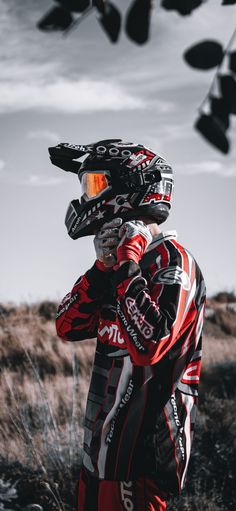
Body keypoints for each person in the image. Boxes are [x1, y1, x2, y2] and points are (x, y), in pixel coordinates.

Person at [51, 138, 206, 511]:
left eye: (95, 184)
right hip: (100, 454)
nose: (88, 196)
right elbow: (67, 326)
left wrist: (126, 265)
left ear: (131, 185)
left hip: (142, 458)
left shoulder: (174, 262)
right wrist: (101, 269)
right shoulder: (117, 264)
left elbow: (150, 345)